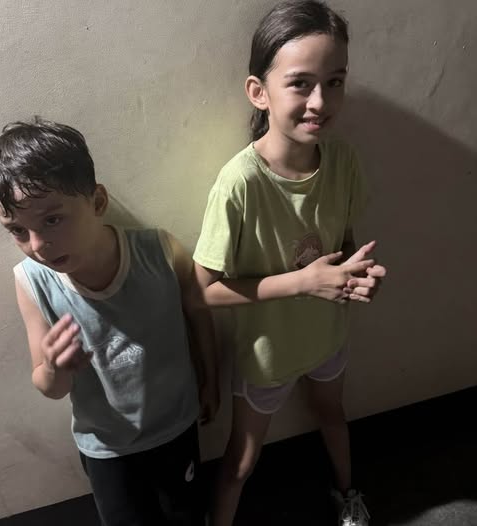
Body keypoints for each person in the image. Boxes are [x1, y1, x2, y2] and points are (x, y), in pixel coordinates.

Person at [192, 1, 386, 525]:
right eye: (300, 83)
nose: (320, 101)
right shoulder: (240, 183)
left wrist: (357, 276)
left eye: (335, 81)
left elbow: (343, 244)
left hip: (326, 335)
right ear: (259, 91)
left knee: (332, 415)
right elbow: (201, 290)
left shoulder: (342, 160)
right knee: (242, 461)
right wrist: (302, 282)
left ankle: (348, 495)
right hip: (268, 352)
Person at [0, 117, 219, 526]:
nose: (38, 245)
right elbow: (48, 385)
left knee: (187, 513)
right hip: (106, 448)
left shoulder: (159, 252)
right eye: (18, 230)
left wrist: (210, 376)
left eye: (52, 220)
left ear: (97, 202)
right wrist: (55, 367)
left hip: (175, 426)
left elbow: (199, 311)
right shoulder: (32, 281)